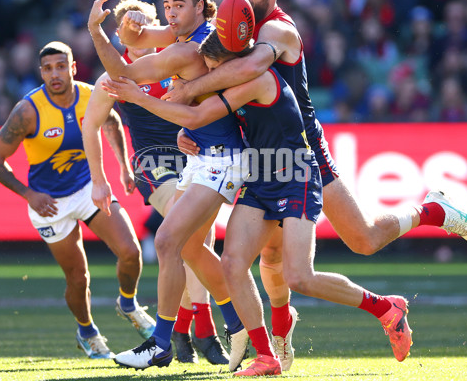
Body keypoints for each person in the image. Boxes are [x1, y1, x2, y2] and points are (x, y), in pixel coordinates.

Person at [162, 0, 467, 371]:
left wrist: (186, 92)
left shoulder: (278, 28)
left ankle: (431, 211)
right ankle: (276, 340)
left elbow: (250, 69)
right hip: (260, 155)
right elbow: (218, 84)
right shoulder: (234, 27)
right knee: (268, 257)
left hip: (301, 150)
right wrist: (191, 126)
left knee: (361, 241)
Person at [102, 29, 413, 377]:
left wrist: (154, 101)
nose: (209, 74)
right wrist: (186, 133)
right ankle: (266, 355)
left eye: (213, 67)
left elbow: (198, 114)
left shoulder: (256, 80)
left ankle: (385, 307)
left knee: (300, 277)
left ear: (230, 64)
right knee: (234, 263)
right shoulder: (235, 82)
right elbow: (208, 121)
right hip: (260, 177)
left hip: (295, 174)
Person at [87, 0, 249, 371]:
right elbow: (140, 41)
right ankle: (241, 327)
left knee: (166, 241)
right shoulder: (194, 34)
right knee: (191, 248)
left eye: (180, 5)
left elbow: (124, 75)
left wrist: (95, 30)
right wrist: (129, 28)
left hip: (221, 158)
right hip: (200, 154)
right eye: (168, 6)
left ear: (201, 7)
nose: (171, 13)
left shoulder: (188, 50)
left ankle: (161, 342)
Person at [0, 41, 155, 360]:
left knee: (131, 252)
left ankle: (128, 303)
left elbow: (112, 122)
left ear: (74, 67)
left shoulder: (92, 94)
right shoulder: (27, 110)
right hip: (50, 204)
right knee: (78, 278)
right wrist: (29, 194)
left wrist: (124, 167)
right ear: (41, 73)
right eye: (48, 68)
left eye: (61, 66)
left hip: (88, 188)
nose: (55, 74)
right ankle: (87, 330)